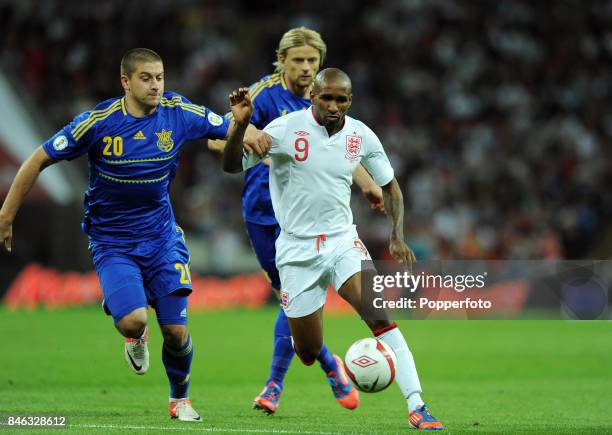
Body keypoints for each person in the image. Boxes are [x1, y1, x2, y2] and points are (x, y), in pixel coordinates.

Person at [0, 48, 265, 422]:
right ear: (126, 81)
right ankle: (134, 337)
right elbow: (39, 158)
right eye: (146, 78)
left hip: (161, 239)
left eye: (159, 77)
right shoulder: (98, 122)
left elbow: (235, 130)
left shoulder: (178, 112)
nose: (156, 84)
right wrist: (6, 215)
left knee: (175, 331)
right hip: (112, 243)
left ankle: (180, 401)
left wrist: (245, 127)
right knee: (135, 320)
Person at [223, 69, 444, 430]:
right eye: (326, 97)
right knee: (308, 352)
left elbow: (391, 187)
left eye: (341, 99)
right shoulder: (284, 129)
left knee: (380, 317)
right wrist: (240, 127)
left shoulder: (360, 135)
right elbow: (231, 165)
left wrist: (397, 235)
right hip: (296, 250)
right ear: (313, 95)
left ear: (350, 101)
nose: (333, 105)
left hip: (342, 242)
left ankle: (418, 406)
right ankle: (331, 363)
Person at [209, 27, 384, 415]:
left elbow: (342, 151)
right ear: (282, 61)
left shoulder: (328, 97)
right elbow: (215, 138)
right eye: (298, 60)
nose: (306, 68)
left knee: (290, 301)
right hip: (264, 214)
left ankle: (274, 385)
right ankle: (330, 365)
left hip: (318, 221)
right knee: (290, 301)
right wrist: (251, 133)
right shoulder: (262, 94)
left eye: (312, 61)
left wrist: (369, 183)